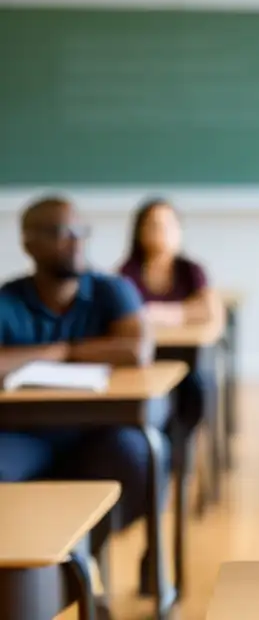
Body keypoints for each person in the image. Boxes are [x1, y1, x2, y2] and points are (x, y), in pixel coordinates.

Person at [0, 197, 160, 562]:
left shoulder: (110, 289)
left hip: (97, 432)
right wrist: (56, 351)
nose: (75, 241)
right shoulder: (8, 299)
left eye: (81, 232)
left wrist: (64, 351)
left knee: (137, 455)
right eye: (60, 232)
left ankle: (89, 556)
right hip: (24, 436)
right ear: (28, 242)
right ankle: (29, 571)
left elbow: (136, 349)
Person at [119, 197, 221, 442]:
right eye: (153, 225)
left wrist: (163, 314)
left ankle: (181, 444)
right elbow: (123, 319)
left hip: (186, 361)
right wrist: (184, 311)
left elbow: (210, 312)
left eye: (168, 225)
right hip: (145, 360)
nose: (162, 232)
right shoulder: (127, 273)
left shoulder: (190, 270)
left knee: (198, 387)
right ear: (139, 232)